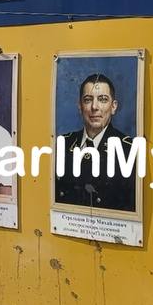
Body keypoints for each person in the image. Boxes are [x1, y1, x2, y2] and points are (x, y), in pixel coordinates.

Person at [54, 73, 135, 212]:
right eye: (87, 100)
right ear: (80, 106)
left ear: (113, 106)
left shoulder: (129, 150)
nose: (94, 107)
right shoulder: (63, 144)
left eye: (103, 99)